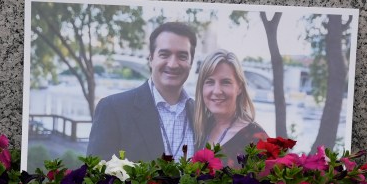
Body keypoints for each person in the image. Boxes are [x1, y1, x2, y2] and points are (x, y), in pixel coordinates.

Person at [86, 21, 197, 162]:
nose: (173, 64)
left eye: (182, 56)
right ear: (151, 59)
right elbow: (96, 176)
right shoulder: (113, 109)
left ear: (191, 62)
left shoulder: (200, 115)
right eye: (164, 54)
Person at [193, 50, 268, 165]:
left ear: (239, 88)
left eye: (225, 82)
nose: (217, 91)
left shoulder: (256, 138)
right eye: (210, 82)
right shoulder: (201, 129)